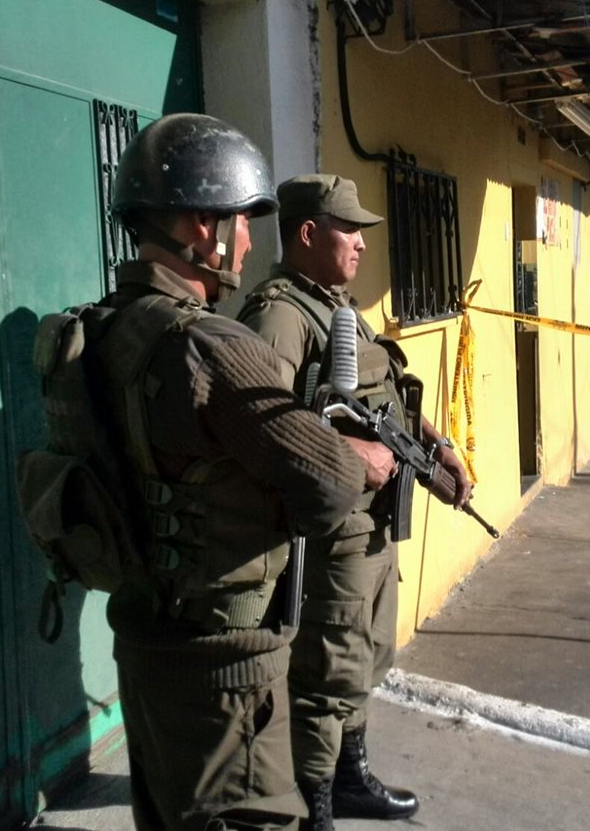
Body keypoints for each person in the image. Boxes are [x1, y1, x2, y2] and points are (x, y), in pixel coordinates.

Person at [97, 116, 382, 831]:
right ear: (203, 226)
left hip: (143, 643)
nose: (251, 240)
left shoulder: (97, 331)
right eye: (242, 222)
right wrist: (366, 459)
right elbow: (328, 484)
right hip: (223, 665)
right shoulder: (214, 346)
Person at [238, 174, 472, 831]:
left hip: (370, 529)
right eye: (350, 230)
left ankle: (350, 777)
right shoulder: (281, 315)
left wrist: (437, 449)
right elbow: (265, 428)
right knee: (326, 670)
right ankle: (315, 809)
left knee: (366, 655)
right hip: (331, 531)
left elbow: (382, 404)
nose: (363, 245)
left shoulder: (338, 308)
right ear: (309, 234)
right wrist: (349, 460)